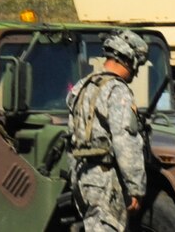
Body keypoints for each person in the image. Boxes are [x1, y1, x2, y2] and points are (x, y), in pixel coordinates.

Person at [68, 30, 149, 232]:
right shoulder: (117, 90)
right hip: (104, 180)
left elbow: (72, 134)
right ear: (129, 59)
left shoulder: (81, 87)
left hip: (82, 177)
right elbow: (125, 140)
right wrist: (135, 187)